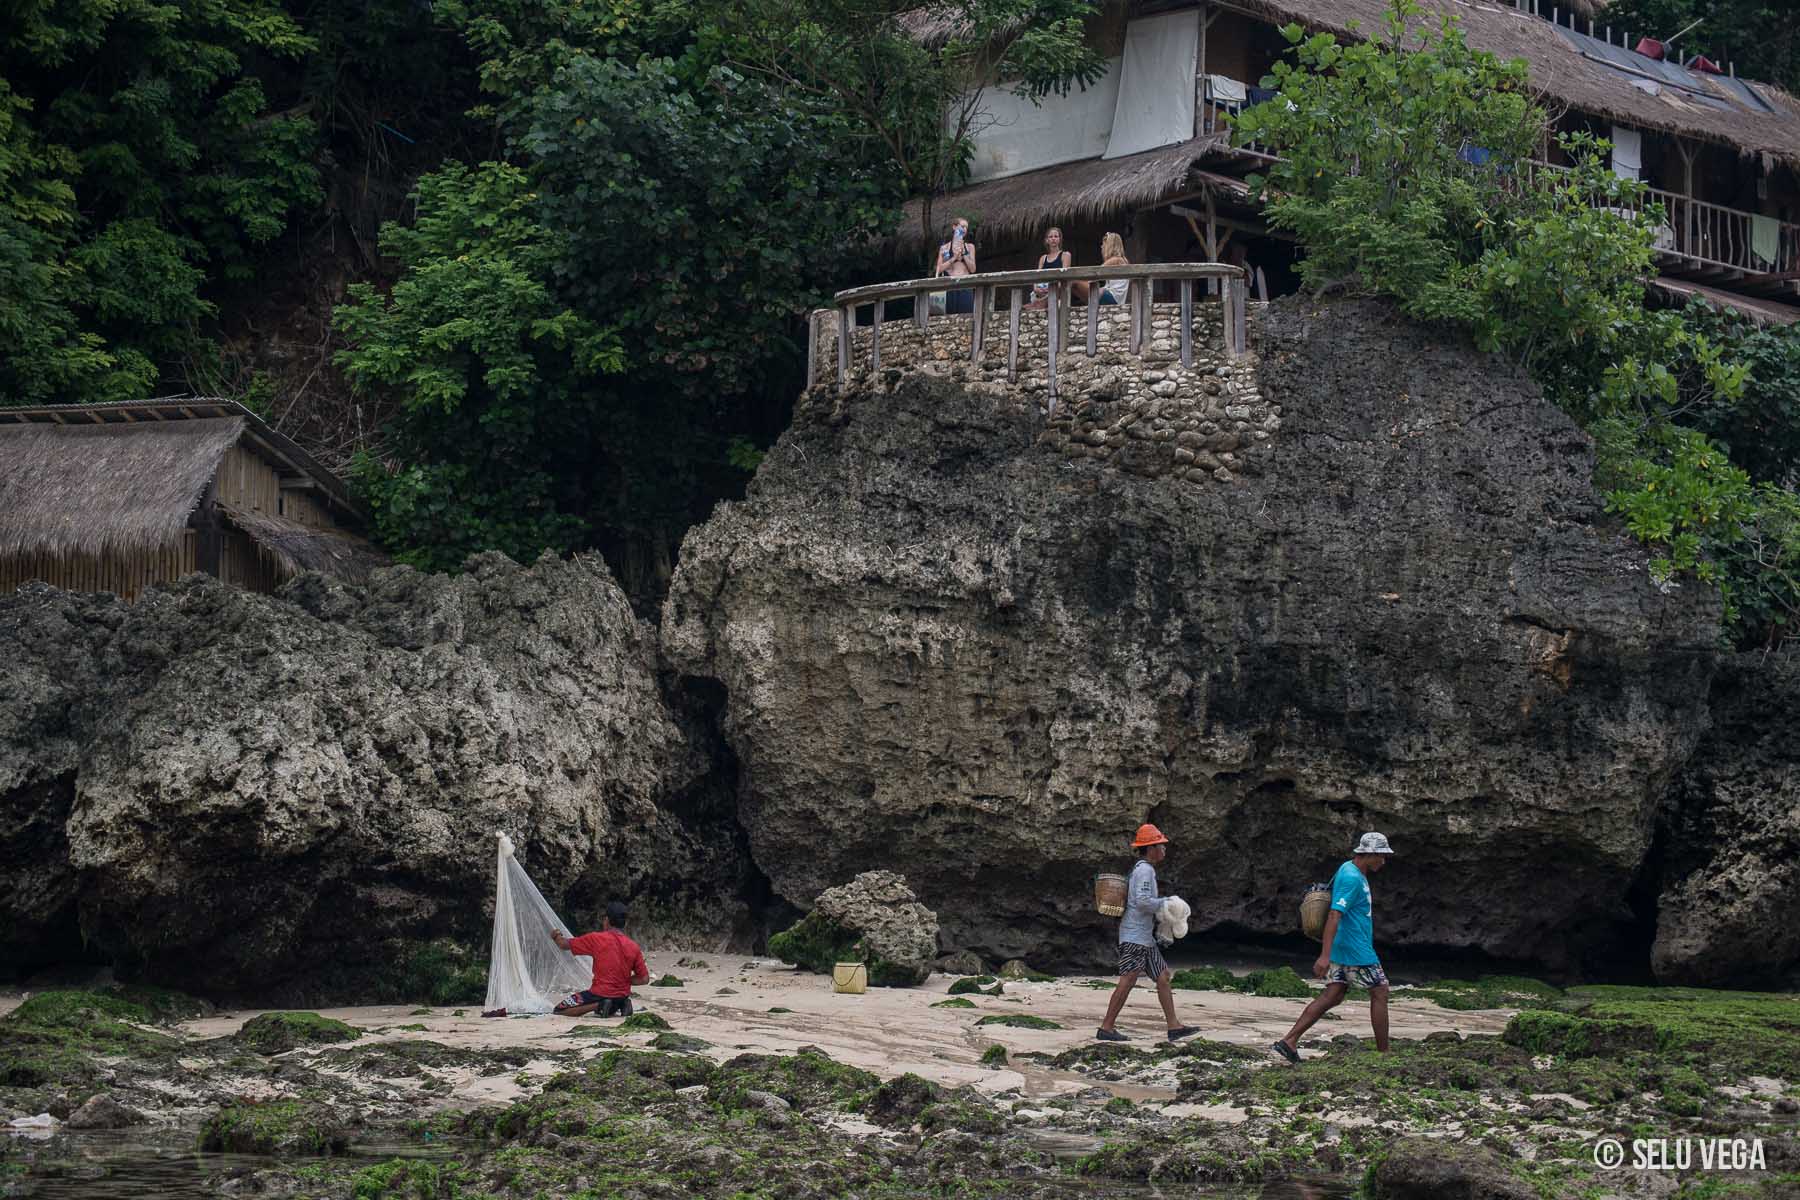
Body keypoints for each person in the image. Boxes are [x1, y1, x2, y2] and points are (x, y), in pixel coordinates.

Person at [1271, 832, 1396, 1063]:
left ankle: (1288, 1042)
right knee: (1380, 991)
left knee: (1334, 993)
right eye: (1381, 855)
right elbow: (1334, 915)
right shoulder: (1352, 878)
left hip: (1344, 945)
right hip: (1354, 948)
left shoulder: (1349, 868)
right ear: (1370, 853)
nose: (1383, 861)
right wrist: (1324, 956)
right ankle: (1384, 1054)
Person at [1096, 823, 1200, 1043]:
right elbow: (1142, 902)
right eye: (1161, 845)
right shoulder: (1145, 870)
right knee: (1128, 980)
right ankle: (1106, 1027)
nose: (1164, 849)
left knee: (1163, 976)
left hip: (1144, 938)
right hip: (1134, 937)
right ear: (1151, 848)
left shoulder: (1143, 869)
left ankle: (1174, 1027)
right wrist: (1166, 903)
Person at [552, 900, 650, 1017]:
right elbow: (644, 979)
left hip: (599, 994)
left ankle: (598, 1005)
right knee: (612, 1001)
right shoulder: (633, 946)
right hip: (622, 996)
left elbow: (563, 944)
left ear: (606, 920)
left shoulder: (596, 939)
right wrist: (623, 980)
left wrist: (556, 934)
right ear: (625, 923)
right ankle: (623, 1004)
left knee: (560, 1009)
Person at [1028, 226, 1092, 308]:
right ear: (1047, 240)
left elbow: (1065, 277)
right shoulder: (1043, 258)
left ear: (1059, 239)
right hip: (1042, 291)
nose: (1053, 239)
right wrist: (1036, 288)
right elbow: (1037, 276)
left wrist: (1051, 289)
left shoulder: (1065, 255)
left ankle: (1042, 303)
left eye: (1056, 236)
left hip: (1059, 292)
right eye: (1050, 237)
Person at [932, 216, 977, 315]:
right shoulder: (944, 248)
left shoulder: (970, 247)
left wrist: (964, 254)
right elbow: (938, 270)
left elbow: (973, 269)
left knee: (967, 316)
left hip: (965, 286)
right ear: (954, 227)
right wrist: (953, 258)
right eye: (962, 226)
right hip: (950, 287)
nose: (965, 229)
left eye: (966, 227)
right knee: (950, 317)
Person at [1097, 232, 1131, 306]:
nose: (1101, 246)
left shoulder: (1116, 260)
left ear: (1109, 246)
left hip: (1112, 297)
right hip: (1117, 299)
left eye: (1104, 244)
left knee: (1075, 284)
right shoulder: (1123, 260)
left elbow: (1096, 272)